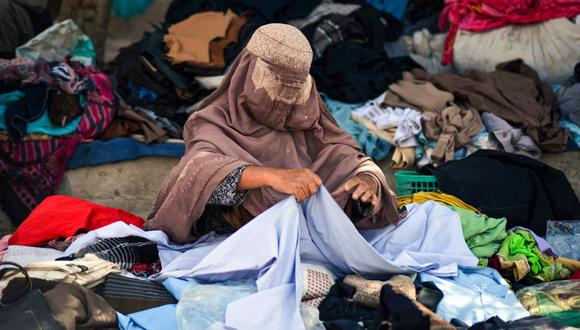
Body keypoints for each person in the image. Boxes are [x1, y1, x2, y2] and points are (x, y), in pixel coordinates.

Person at [146, 23, 404, 243]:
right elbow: (198, 170)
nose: (285, 99)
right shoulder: (215, 121)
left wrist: (367, 180)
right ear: (247, 73)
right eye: (276, 85)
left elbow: (346, 156)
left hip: (314, 245)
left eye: (295, 89)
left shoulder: (306, 119)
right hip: (244, 244)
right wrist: (271, 177)